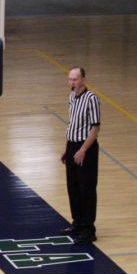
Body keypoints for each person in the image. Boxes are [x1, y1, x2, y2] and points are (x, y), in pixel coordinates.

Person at [60, 66, 101, 245]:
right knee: (73, 186)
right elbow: (72, 124)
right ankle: (77, 222)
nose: (72, 82)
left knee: (87, 189)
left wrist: (83, 149)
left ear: (83, 80)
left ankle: (89, 229)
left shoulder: (92, 99)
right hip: (72, 145)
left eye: (75, 79)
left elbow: (95, 128)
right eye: (70, 79)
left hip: (86, 149)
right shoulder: (71, 97)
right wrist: (66, 147)